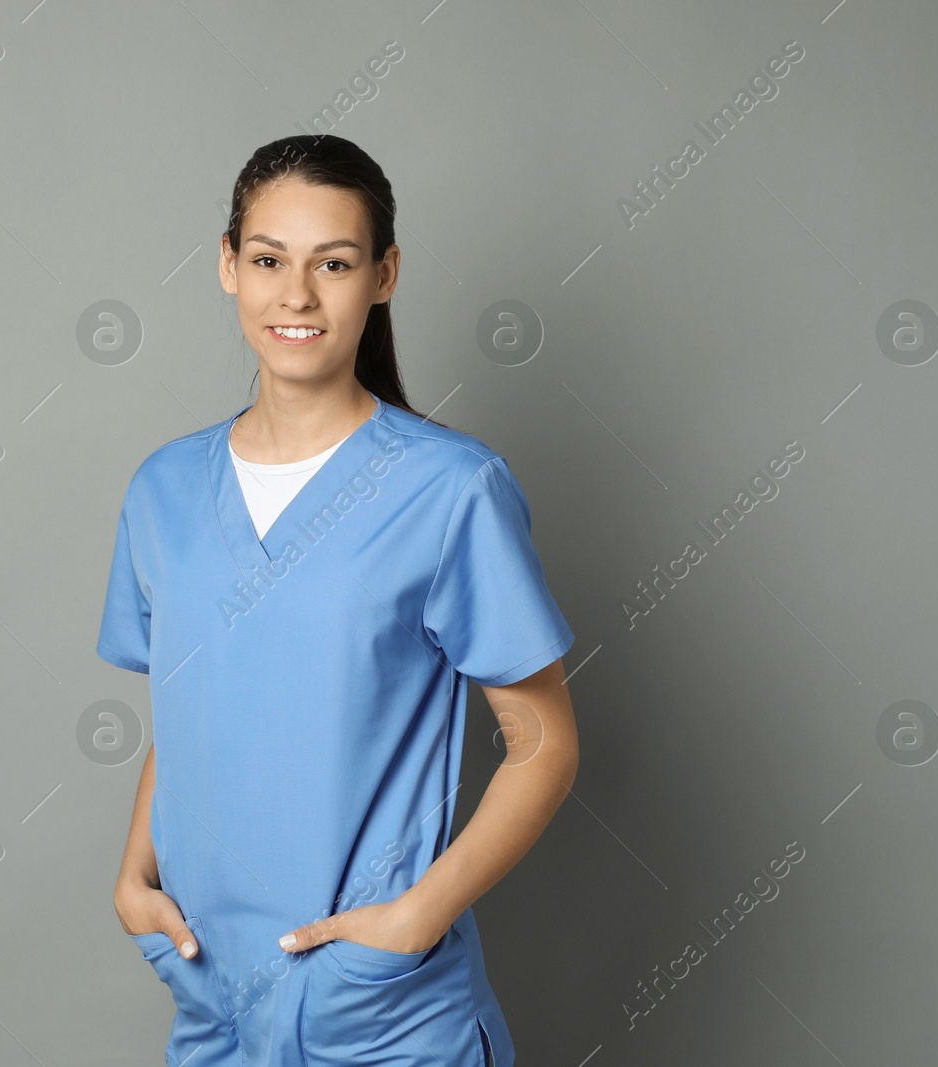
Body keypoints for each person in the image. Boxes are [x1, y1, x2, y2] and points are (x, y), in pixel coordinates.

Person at [98, 133, 579, 1067]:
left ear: (384, 274)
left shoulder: (450, 490)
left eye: (335, 263)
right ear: (228, 267)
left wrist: (414, 920)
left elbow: (545, 742)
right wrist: (132, 877)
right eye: (270, 260)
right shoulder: (162, 490)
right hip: (214, 1001)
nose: (298, 295)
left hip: (386, 1015)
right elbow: (188, 706)